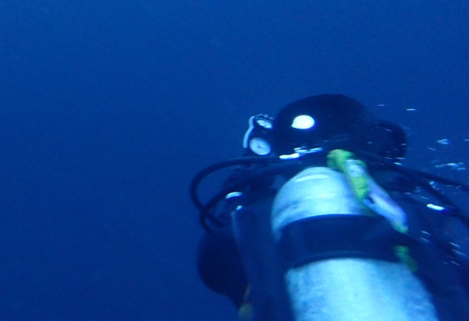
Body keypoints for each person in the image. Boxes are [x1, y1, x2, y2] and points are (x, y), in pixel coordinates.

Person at [191, 94, 469, 321]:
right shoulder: (419, 215)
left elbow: (217, 259)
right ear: (371, 148)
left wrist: (246, 181)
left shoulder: (254, 223)